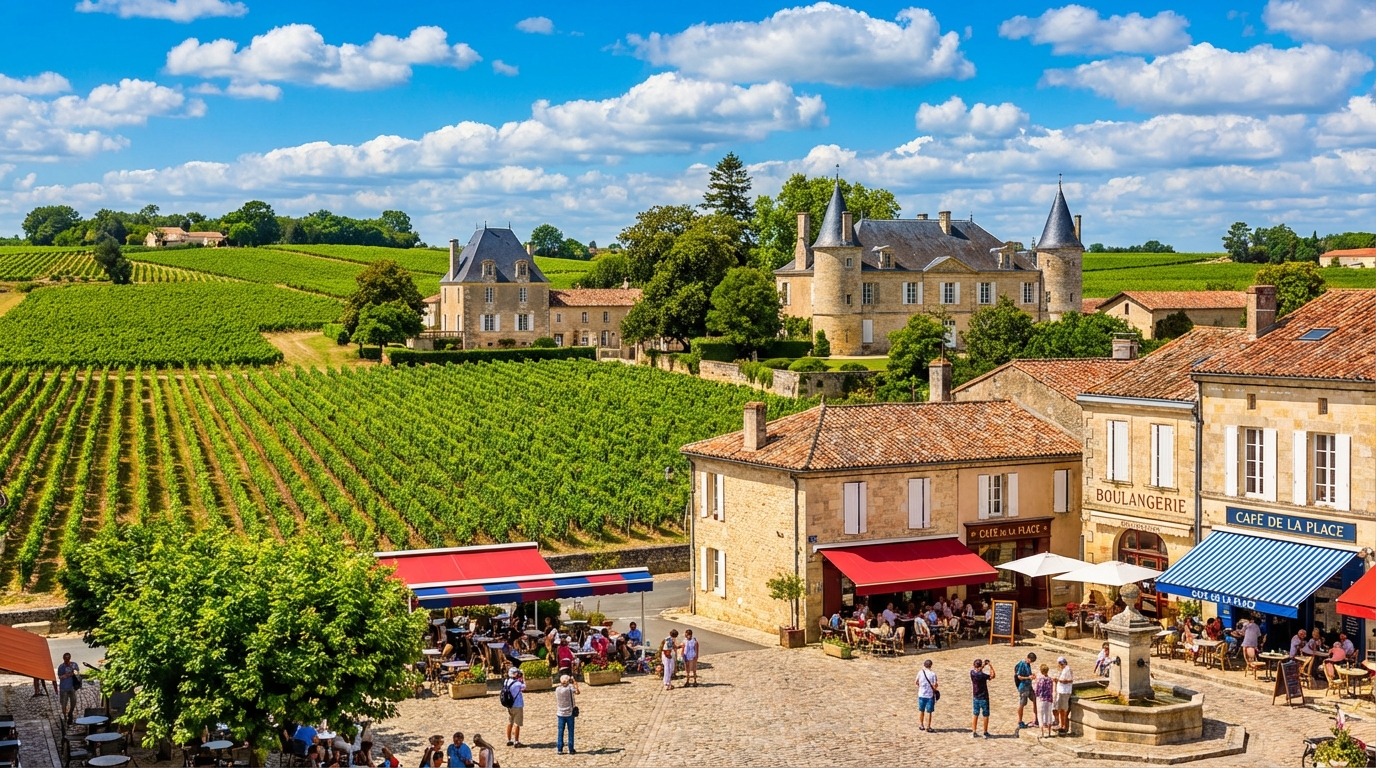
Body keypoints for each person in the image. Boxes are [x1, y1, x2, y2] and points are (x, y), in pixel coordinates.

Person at [554, 674, 579, 755]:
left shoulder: (557, 689)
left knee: (560, 731)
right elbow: (577, 692)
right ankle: (570, 748)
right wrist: (574, 682)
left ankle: (559, 749)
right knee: (570, 731)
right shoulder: (570, 688)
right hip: (569, 713)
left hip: (560, 713)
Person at [970, 658, 994, 738]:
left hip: (976, 696)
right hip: (984, 697)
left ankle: (974, 731)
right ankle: (985, 732)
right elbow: (992, 676)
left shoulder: (972, 673)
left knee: (975, 714)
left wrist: (983, 665)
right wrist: (991, 666)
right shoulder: (982, 675)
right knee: (986, 715)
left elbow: (978, 670)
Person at [502, 668, 525, 747]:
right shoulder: (517, 683)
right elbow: (524, 687)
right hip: (517, 705)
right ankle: (516, 741)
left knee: (510, 722)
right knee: (517, 724)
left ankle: (509, 740)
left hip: (509, 705)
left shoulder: (506, 681)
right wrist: (522, 679)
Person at [1015, 652, 1037, 730]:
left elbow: (1028, 673)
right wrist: (1028, 677)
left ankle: (1035, 719)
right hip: (1023, 687)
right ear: (1028, 658)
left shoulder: (1028, 664)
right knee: (1022, 704)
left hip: (1029, 686)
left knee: (1035, 699)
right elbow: (1019, 677)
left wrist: (1032, 675)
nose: (1031, 662)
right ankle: (1020, 721)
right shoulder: (1022, 664)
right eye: (1031, 661)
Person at [916, 659, 939, 732]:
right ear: (931, 666)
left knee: (921, 710)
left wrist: (921, 686)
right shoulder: (933, 674)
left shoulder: (920, 672)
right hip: (929, 695)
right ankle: (928, 726)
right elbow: (935, 685)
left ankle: (921, 725)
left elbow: (916, 682)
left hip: (921, 694)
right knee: (929, 712)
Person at [1034, 664, 1056, 738]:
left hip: (1042, 699)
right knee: (1048, 715)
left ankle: (1042, 733)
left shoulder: (1040, 680)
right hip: (1049, 699)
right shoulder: (1050, 679)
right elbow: (1051, 689)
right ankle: (1049, 732)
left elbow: (1037, 691)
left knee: (1040, 715)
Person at [57, 652, 79, 723]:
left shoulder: (74, 664)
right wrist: (66, 675)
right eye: (66, 659)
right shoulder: (61, 667)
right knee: (63, 703)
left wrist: (72, 667)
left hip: (72, 687)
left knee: (73, 702)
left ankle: (70, 713)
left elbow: (77, 672)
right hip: (64, 688)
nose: (67, 660)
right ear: (63, 659)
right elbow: (60, 676)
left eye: (68, 658)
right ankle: (65, 717)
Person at [1054, 657, 1074, 734]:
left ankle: (1063, 726)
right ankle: (1061, 725)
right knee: (1060, 709)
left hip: (1065, 692)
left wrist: (1059, 680)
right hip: (1062, 691)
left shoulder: (1067, 669)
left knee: (1063, 709)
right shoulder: (1065, 669)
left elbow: (1070, 680)